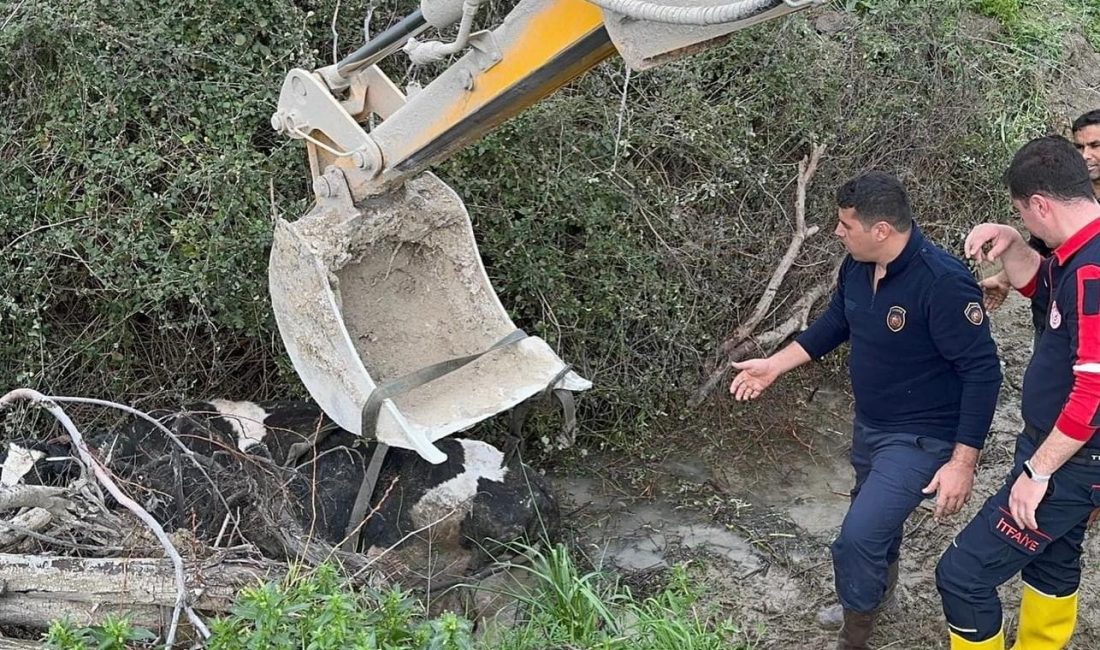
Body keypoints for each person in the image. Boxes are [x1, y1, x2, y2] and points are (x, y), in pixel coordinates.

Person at [730, 171, 1002, 649]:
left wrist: (963, 463)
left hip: (923, 435)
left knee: (856, 537)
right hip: (872, 424)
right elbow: (837, 321)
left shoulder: (942, 283)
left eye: (844, 224)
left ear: (882, 230)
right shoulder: (857, 265)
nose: (837, 231)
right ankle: (874, 595)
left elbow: (983, 373)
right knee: (876, 522)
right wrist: (775, 365)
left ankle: (855, 634)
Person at [936, 136, 1100, 649]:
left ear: (1042, 204)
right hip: (1060, 450)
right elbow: (1045, 289)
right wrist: (1012, 240)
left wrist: (1039, 471)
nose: (1027, 223)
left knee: (962, 575)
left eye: (1023, 214)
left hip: (1070, 460)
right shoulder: (1079, 251)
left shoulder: (1094, 271)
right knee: (1053, 560)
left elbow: (1095, 391)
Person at [979, 110, 1100, 321]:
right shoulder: (1063, 193)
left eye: (1095, 146)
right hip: (1051, 311)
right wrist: (1004, 278)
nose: (1085, 156)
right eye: (1079, 147)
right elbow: (1041, 249)